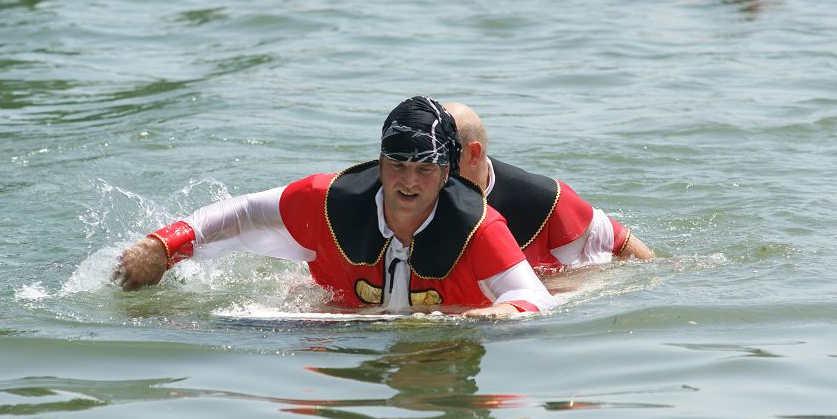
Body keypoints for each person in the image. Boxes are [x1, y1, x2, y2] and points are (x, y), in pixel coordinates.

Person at [115, 96, 556, 317]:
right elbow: (243, 212)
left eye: (424, 169)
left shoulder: (478, 226)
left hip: (442, 342)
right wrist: (161, 246)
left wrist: (489, 317)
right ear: (380, 164)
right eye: (397, 165)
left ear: (447, 174)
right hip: (340, 321)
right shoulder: (330, 200)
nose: (408, 181)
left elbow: (533, 295)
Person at [444, 102, 654, 273]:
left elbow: (642, 260)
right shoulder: (418, 200)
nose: (417, 174)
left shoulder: (545, 197)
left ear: (473, 153)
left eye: (440, 156)